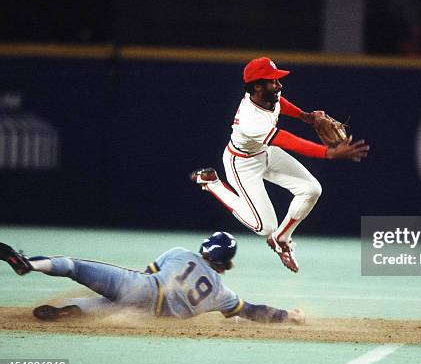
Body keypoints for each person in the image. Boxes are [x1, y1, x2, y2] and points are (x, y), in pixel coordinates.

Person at [191, 57, 369, 273]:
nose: (279, 85)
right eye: (273, 81)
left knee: (311, 190)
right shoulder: (251, 120)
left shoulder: (266, 96)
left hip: (265, 152)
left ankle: (281, 239)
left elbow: (280, 104)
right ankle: (212, 183)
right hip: (242, 164)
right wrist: (329, 152)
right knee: (264, 226)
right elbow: (289, 141)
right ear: (257, 86)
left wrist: (307, 117)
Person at [0, 233, 304, 324]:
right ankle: (72, 311)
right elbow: (254, 311)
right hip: (151, 313)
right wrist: (288, 315)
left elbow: (148, 274)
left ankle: (27, 264)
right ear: (227, 261)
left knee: (74, 266)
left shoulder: (181, 252)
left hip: (141, 288)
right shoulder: (223, 292)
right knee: (110, 307)